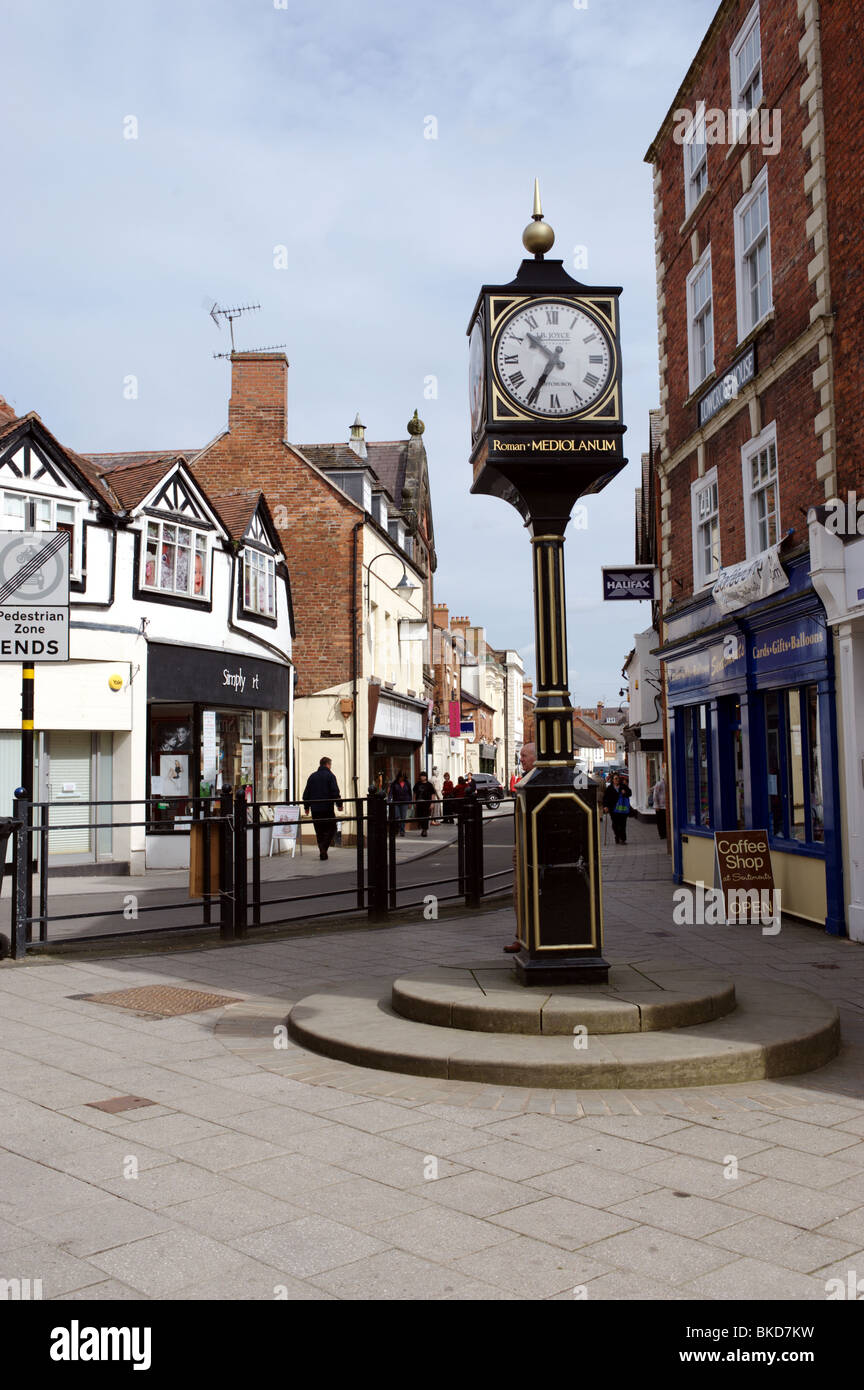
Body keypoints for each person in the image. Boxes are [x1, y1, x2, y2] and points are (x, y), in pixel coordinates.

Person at [505, 741, 536, 953]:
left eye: (524, 756)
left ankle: (526, 936)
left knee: (524, 893)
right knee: (518, 895)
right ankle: (521, 935)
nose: (521, 760)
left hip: (531, 848)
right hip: (522, 845)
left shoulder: (536, 780)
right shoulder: (526, 780)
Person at [302, 756, 344, 860]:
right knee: (332, 828)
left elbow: (306, 793)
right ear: (328, 765)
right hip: (327, 809)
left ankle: (322, 850)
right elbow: (335, 792)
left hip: (315, 809)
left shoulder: (312, 776)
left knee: (319, 831)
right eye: (330, 765)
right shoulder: (330, 776)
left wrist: (306, 807)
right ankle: (323, 849)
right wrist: (339, 805)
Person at [603, 773, 632, 845]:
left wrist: (625, 792)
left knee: (622, 824)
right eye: (615, 778)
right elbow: (605, 798)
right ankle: (617, 836)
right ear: (612, 780)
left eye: (618, 778)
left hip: (622, 808)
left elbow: (630, 793)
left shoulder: (623, 786)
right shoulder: (609, 788)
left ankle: (623, 839)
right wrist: (605, 806)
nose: (617, 780)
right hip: (613, 809)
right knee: (615, 824)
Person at [388, 770, 412, 836]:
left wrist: (410, 802)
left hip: (405, 802)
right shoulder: (394, 783)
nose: (402, 778)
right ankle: (397, 828)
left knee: (403, 817)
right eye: (401, 777)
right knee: (397, 816)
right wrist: (389, 800)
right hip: (396, 802)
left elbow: (410, 793)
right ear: (398, 776)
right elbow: (390, 793)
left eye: (403, 777)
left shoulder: (407, 783)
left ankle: (402, 831)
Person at [413, 771, 434, 837]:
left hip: (426, 803)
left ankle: (425, 830)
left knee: (425, 816)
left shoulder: (429, 785)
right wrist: (414, 802)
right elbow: (414, 794)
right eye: (421, 776)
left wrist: (432, 803)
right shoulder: (417, 784)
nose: (422, 777)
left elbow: (433, 794)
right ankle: (422, 828)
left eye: (424, 776)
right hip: (419, 803)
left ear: (426, 777)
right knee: (420, 816)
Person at [652, 771, 667, 840]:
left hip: (666, 806)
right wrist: (656, 805)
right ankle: (662, 834)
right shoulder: (659, 783)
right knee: (660, 821)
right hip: (660, 806)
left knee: (665, 821)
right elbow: (655, 795)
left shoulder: (668, 784)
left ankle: (666, 833)